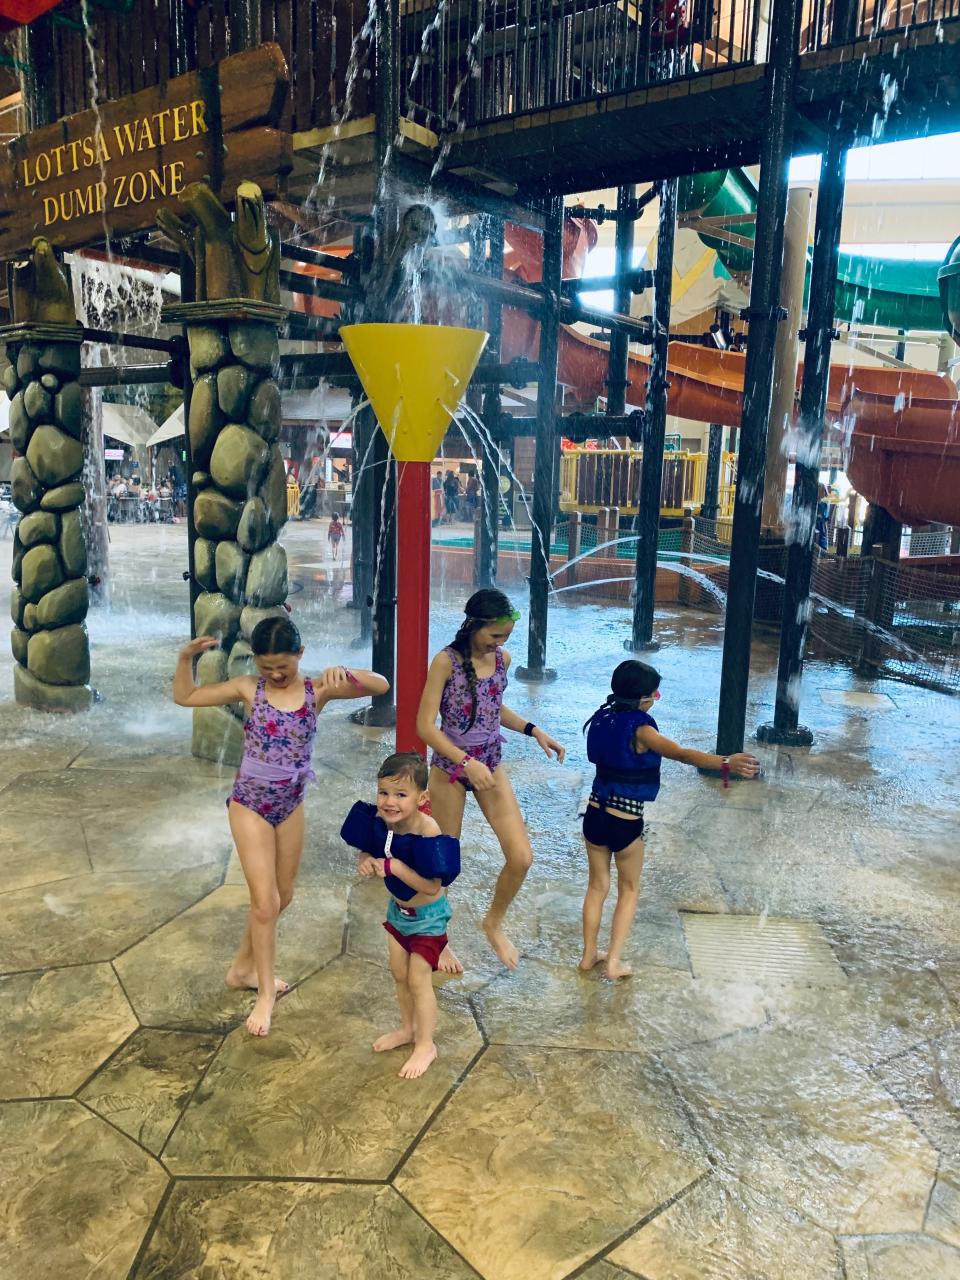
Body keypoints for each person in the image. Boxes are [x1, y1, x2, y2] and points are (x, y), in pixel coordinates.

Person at [173, 618, 389, 1036]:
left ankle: (241, 969)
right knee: (265, 903)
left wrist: (346, 672)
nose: (273, 674)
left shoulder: (317, 690)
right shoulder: (247, 687)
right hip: (249, 802)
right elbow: (186, 696)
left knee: (282, 896)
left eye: (282, 667)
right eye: (266, 665)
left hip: (290, 804)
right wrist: (186, 659)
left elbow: (380, 685)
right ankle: (265, 993)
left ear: (301, 655)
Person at [580, 660, 760, 980]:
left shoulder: (600, 719)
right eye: (654, 694)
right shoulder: (642, 730)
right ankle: (613, 962)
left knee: (597, 887)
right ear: (642, 698)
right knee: (629, 889)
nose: (654, 699)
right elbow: (681, 754)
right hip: (625, 819)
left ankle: (588, 955)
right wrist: (725, 762)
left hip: (594, 812)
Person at [416, 588, 566, 972]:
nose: (499, 645)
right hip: (450, 770)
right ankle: (438, 939)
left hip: (490, 764)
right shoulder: (445, 662)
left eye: (505, 638)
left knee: (521, 857)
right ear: (473, 625)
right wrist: (465, 762)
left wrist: (533, 730)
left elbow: (492, 709)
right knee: (443, 864)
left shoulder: (502, 660)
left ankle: (493, 923)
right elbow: (424, 726)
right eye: (494, 636)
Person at [341, 752, 460, 1079]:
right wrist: (365, 859)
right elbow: (368, 848)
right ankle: (407, 1029)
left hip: (429, 918)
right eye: (383, 793)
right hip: (398, 914)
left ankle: (426, 1044)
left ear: (422, 799)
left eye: (400, 794)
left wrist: (395, 868)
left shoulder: (428, 830)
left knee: (419, 978)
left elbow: (432, 886)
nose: (389, 802)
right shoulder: (382, 823)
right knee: (399, 974)